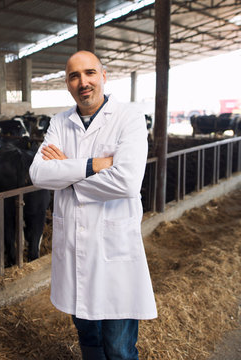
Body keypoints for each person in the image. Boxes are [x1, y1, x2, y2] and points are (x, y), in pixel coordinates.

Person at [29, 50, 157, 360]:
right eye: (74, 76)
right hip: (73, 247)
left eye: (89, 73)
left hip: (114, 250)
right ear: (67, 84)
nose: (82, 82)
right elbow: (38, 173)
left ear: (103, 76)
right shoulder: (60, 122)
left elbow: (126, 182)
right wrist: (95, 165)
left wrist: (68, 170)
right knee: (87, 337)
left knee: (119, 347)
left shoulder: (129, 117)